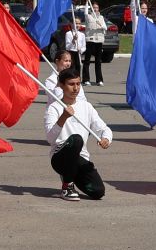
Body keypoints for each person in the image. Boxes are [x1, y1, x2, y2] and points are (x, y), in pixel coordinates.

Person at [45, 68, 111, 200]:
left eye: (78, 84)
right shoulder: (54, 108)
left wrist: (106, 138)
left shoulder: (86, 106)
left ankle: (71, 174)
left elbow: (104, 128)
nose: (75, 88)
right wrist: (63, 117)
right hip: (60, 157)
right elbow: (50, 138)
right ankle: (67, 187)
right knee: (77, 140)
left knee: (98, 191)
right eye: (71, 84)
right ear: (61, 85)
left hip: (81, 159)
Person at [83, 7, 108, 85]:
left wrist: (101, 25)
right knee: (87, 61)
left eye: (97, 7)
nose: (95, 9)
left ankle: (99, 80)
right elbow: (85, 13)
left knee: (98, 61)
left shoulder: (101, 17)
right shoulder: (88, 16)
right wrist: (87, 2)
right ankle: (86, 79)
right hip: (90, 40)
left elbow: (105, 27)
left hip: (99, 41)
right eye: (94, 7)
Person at [63, 18, 87, 85]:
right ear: (71, 24)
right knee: (71, 67)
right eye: (76, 23)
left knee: (78, 67)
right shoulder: (68, 33)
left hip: (78, 53)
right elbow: (67, 47)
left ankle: (77, 81)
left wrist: (81, 50)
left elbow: (84, 46)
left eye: (79, 23)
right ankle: (70, 81)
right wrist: (73, 41)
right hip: (71, 53)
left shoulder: (82, 35)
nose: (77, 25)